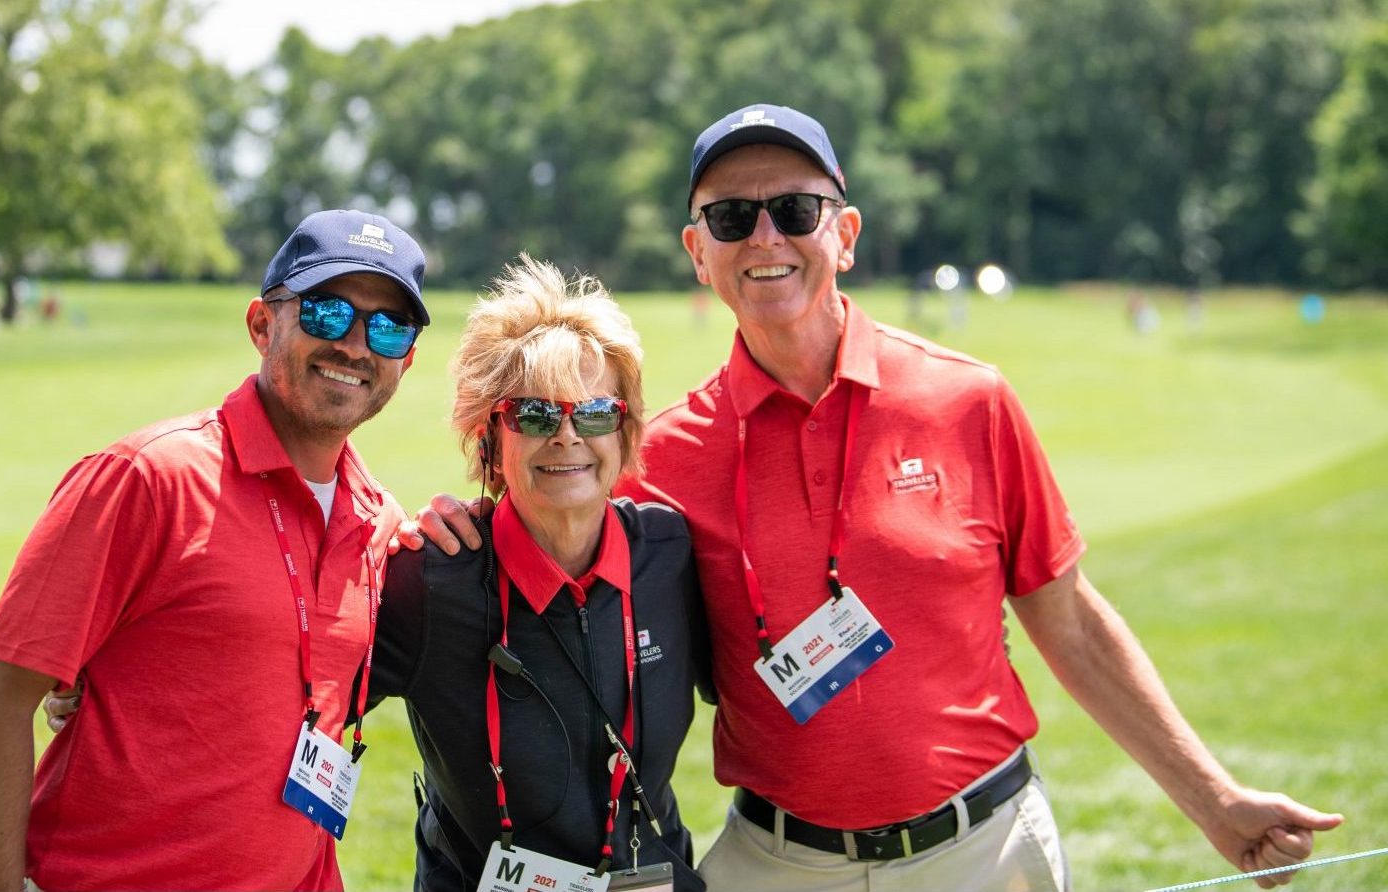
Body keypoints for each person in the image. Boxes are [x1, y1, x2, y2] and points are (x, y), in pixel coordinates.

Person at [418, 104, 1342, 891]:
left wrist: (1215, 800)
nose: (766, 237)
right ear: (700, 254)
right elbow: (553, 513)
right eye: (734, 217)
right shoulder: (662, 452)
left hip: (981, 851)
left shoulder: (968, 399)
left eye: (795, 209)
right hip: (778, 862)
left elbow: (1072, 622)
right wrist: (453, 526)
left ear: (845, 235)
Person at [46, 257, 714, 891]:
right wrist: (99, 680)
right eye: (534, 414)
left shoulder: (672, 552)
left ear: (624, 434)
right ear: (489, 440)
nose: (567, 437)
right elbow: (269, 686)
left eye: (595, 412)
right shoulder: (429, 579)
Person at [0, 209, 428, 892]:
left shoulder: (379, 522)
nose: (356, 345)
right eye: (327, 313)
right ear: (264, 325)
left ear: (405, 360)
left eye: (387, 327)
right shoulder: (147, 477)